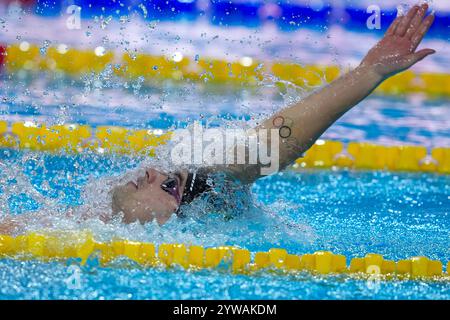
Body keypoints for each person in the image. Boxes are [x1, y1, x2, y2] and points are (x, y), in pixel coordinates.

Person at [0, 4, 436, 233]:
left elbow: (266, 148)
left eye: (170, 184)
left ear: (179, 222)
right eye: (167, 178)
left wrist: (368, 74)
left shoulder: (169, 252)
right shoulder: (66, 224)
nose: (152, 170)